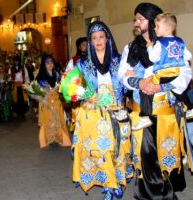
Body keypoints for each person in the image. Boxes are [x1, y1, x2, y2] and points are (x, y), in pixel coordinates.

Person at [118, 3, 192, 199]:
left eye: (140, 19)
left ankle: (168, 187)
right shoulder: (131, 48)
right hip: (141, 110)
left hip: (165, 111)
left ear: (152, 21)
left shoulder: (171, 45)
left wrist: (160, 87)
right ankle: (156, 195)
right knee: (146, 155)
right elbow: (122, 75)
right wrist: (140, 82)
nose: (136, 23)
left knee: (165, 154)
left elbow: (185, 74)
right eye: (135, 19)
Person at [65, 21, 132, 199]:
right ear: (90, 41)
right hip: (93, 115)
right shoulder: (82, 65)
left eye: (101, 37)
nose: (98, 41)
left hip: (116, 113)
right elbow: (69, 87)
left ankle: (117, 182)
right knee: (100, 150)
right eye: (94, 38)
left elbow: (128, 85)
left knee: (117, 151)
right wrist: (85, 96)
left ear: (107, 39)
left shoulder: (119, 62)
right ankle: (110, 186)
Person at [126, 12, 193, 130]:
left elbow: (152, 58)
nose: (155, 28)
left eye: (157, 26)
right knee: (183, 92)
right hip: (175, 73)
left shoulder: (160, 43)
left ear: (166, 28)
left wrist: (150, 48)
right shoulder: (180, 41)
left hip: (162, 75)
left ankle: (145, 116)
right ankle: (191, 109)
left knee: (145, 92)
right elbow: (188, 56)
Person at [35, 54, 71, 148]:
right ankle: (49, 139)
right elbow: (37, 92)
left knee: (58, 119)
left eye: (51, 62)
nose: (50, 64)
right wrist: (44, 97)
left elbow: (62, 87)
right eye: (47, 63)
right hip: (45, 103)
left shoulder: (57, 75)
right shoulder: (40, 78)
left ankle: (59, 138)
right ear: (44, 64)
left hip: (56, 102)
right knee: (48, 120)